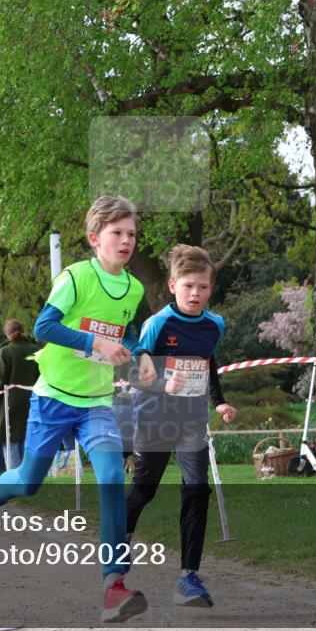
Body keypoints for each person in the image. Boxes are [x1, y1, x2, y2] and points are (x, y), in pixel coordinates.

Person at [0, 195, 149, 623]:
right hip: (53, 397)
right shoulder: (76, 278)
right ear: (94, 238)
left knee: (111, 478)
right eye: (117, 233)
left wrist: (139, 352)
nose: (126, 241)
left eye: (132, 234)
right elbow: (45, 325)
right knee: (28, 482)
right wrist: (94, 342)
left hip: (97, 403)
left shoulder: (134, 288)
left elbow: (129, 331)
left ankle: (113, 585)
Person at [125, 245, 238, 609]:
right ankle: (119, 539)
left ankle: (188, 577)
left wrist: (218, 400)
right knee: (144, 490)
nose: (196, 294)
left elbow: (209, 362)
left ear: (210, 288)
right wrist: (162, 384)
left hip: (191, 421)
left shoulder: (214, 324)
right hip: (155, 419)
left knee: (196, 491)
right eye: (189, 286)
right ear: (173, 285)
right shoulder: (157, 324)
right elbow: (133, 373)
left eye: (203, 287)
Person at [0, 319, 41, 470]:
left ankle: (14, 483)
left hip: (9, 404)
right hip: (32, 402)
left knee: (10, 443)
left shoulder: (4, 352)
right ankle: (26, 480)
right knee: (27, 441)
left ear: (7, 334)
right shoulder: (36, 350)